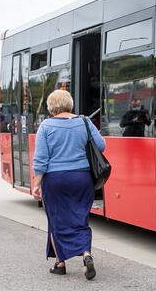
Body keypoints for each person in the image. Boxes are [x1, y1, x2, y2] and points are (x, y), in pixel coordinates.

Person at [32, 90, 106, 280]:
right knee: (80, 218)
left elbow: (41, 159)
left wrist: (37, 184)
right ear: (70, 103)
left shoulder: (46, 126)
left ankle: (60, 263)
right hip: (82, 178)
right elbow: (101, 145)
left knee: (57, 220)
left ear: (51, 107)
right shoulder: (84, 121)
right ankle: (86, 255)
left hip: (55, 179)